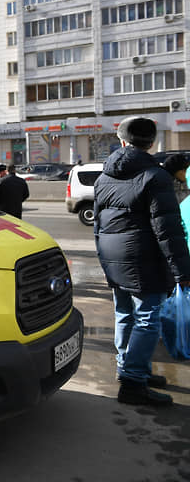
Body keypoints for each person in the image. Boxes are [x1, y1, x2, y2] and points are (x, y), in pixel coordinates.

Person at [94, 117, 190, 406]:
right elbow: (168, 230)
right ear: (152, 143)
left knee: (125, 314)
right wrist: (183, 270)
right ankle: (133, 382)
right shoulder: (156, 176)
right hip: (144, 259)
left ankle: (131, 369)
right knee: (148, 320)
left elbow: (98, 224)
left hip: (113, 257)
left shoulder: (103, 176)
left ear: (122, 141)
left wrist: (104, 258)